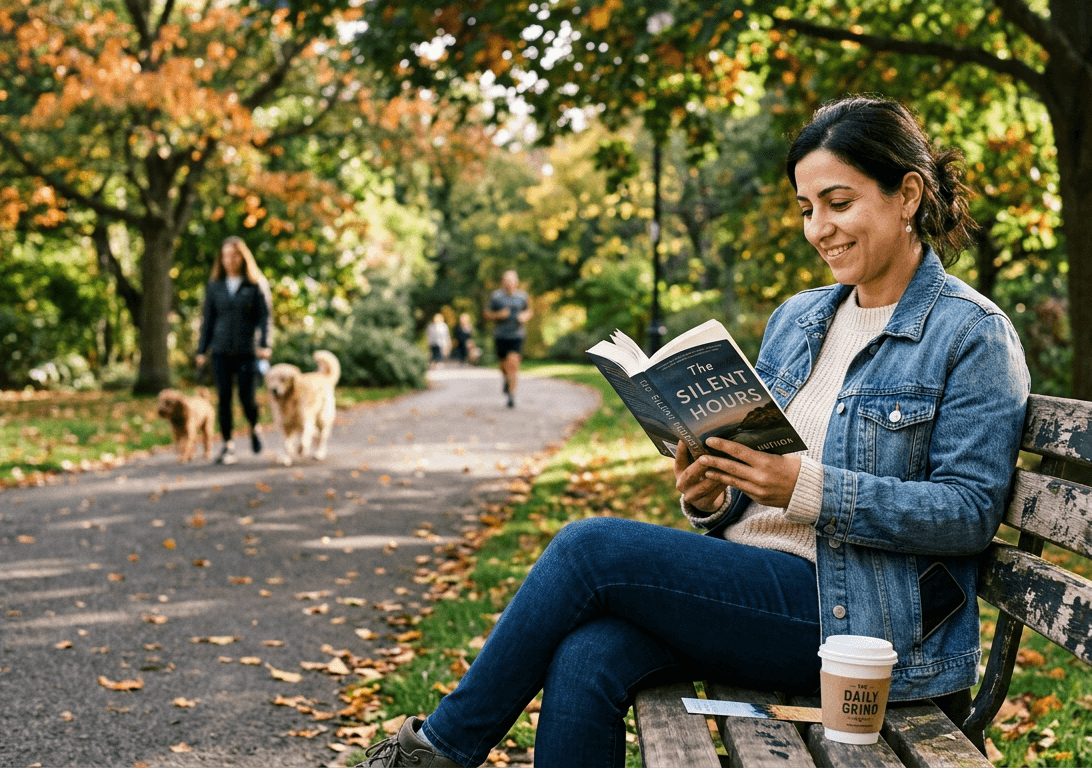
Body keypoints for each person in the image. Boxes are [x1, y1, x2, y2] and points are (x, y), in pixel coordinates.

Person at [358, 96, 1030, 768]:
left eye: (838, 202)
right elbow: (762, 475)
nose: (819, 228)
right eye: (806, 209)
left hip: (855, 621)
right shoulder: (798, 320)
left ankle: (437, 752)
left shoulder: (969, 334)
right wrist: (716, 494)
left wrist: (809, 487)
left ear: (907, 194)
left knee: (588, 548)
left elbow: (968, 513)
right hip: (761, 588)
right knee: (588, 654)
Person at [194, 236, 272, 465]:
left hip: (247, 350)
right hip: (220, 351)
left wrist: (265, 345)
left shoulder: (255, 284)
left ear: (243, 257)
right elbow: (207, 320)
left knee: (247, 398)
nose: (230, 260)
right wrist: (201, 350)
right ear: (221, 258)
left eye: (235, 255)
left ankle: (254, 425)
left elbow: (265, 318)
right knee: (224, 397)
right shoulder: (215, 285)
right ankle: (227, 445)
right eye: (226, 255)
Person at [483, 270, 531, 408]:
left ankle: (511, 395)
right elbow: (486, 314)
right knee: (503, 365)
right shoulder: (496, 296)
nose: (509, 283)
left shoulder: (522, 297)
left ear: (516, 282)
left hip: (517, 335)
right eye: (506, 280)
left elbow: (528, 311)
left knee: (513, 363)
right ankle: (506, 379)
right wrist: (498, 315)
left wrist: (525, 316)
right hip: (500, 335)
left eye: (512, 280)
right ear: (503, 282)